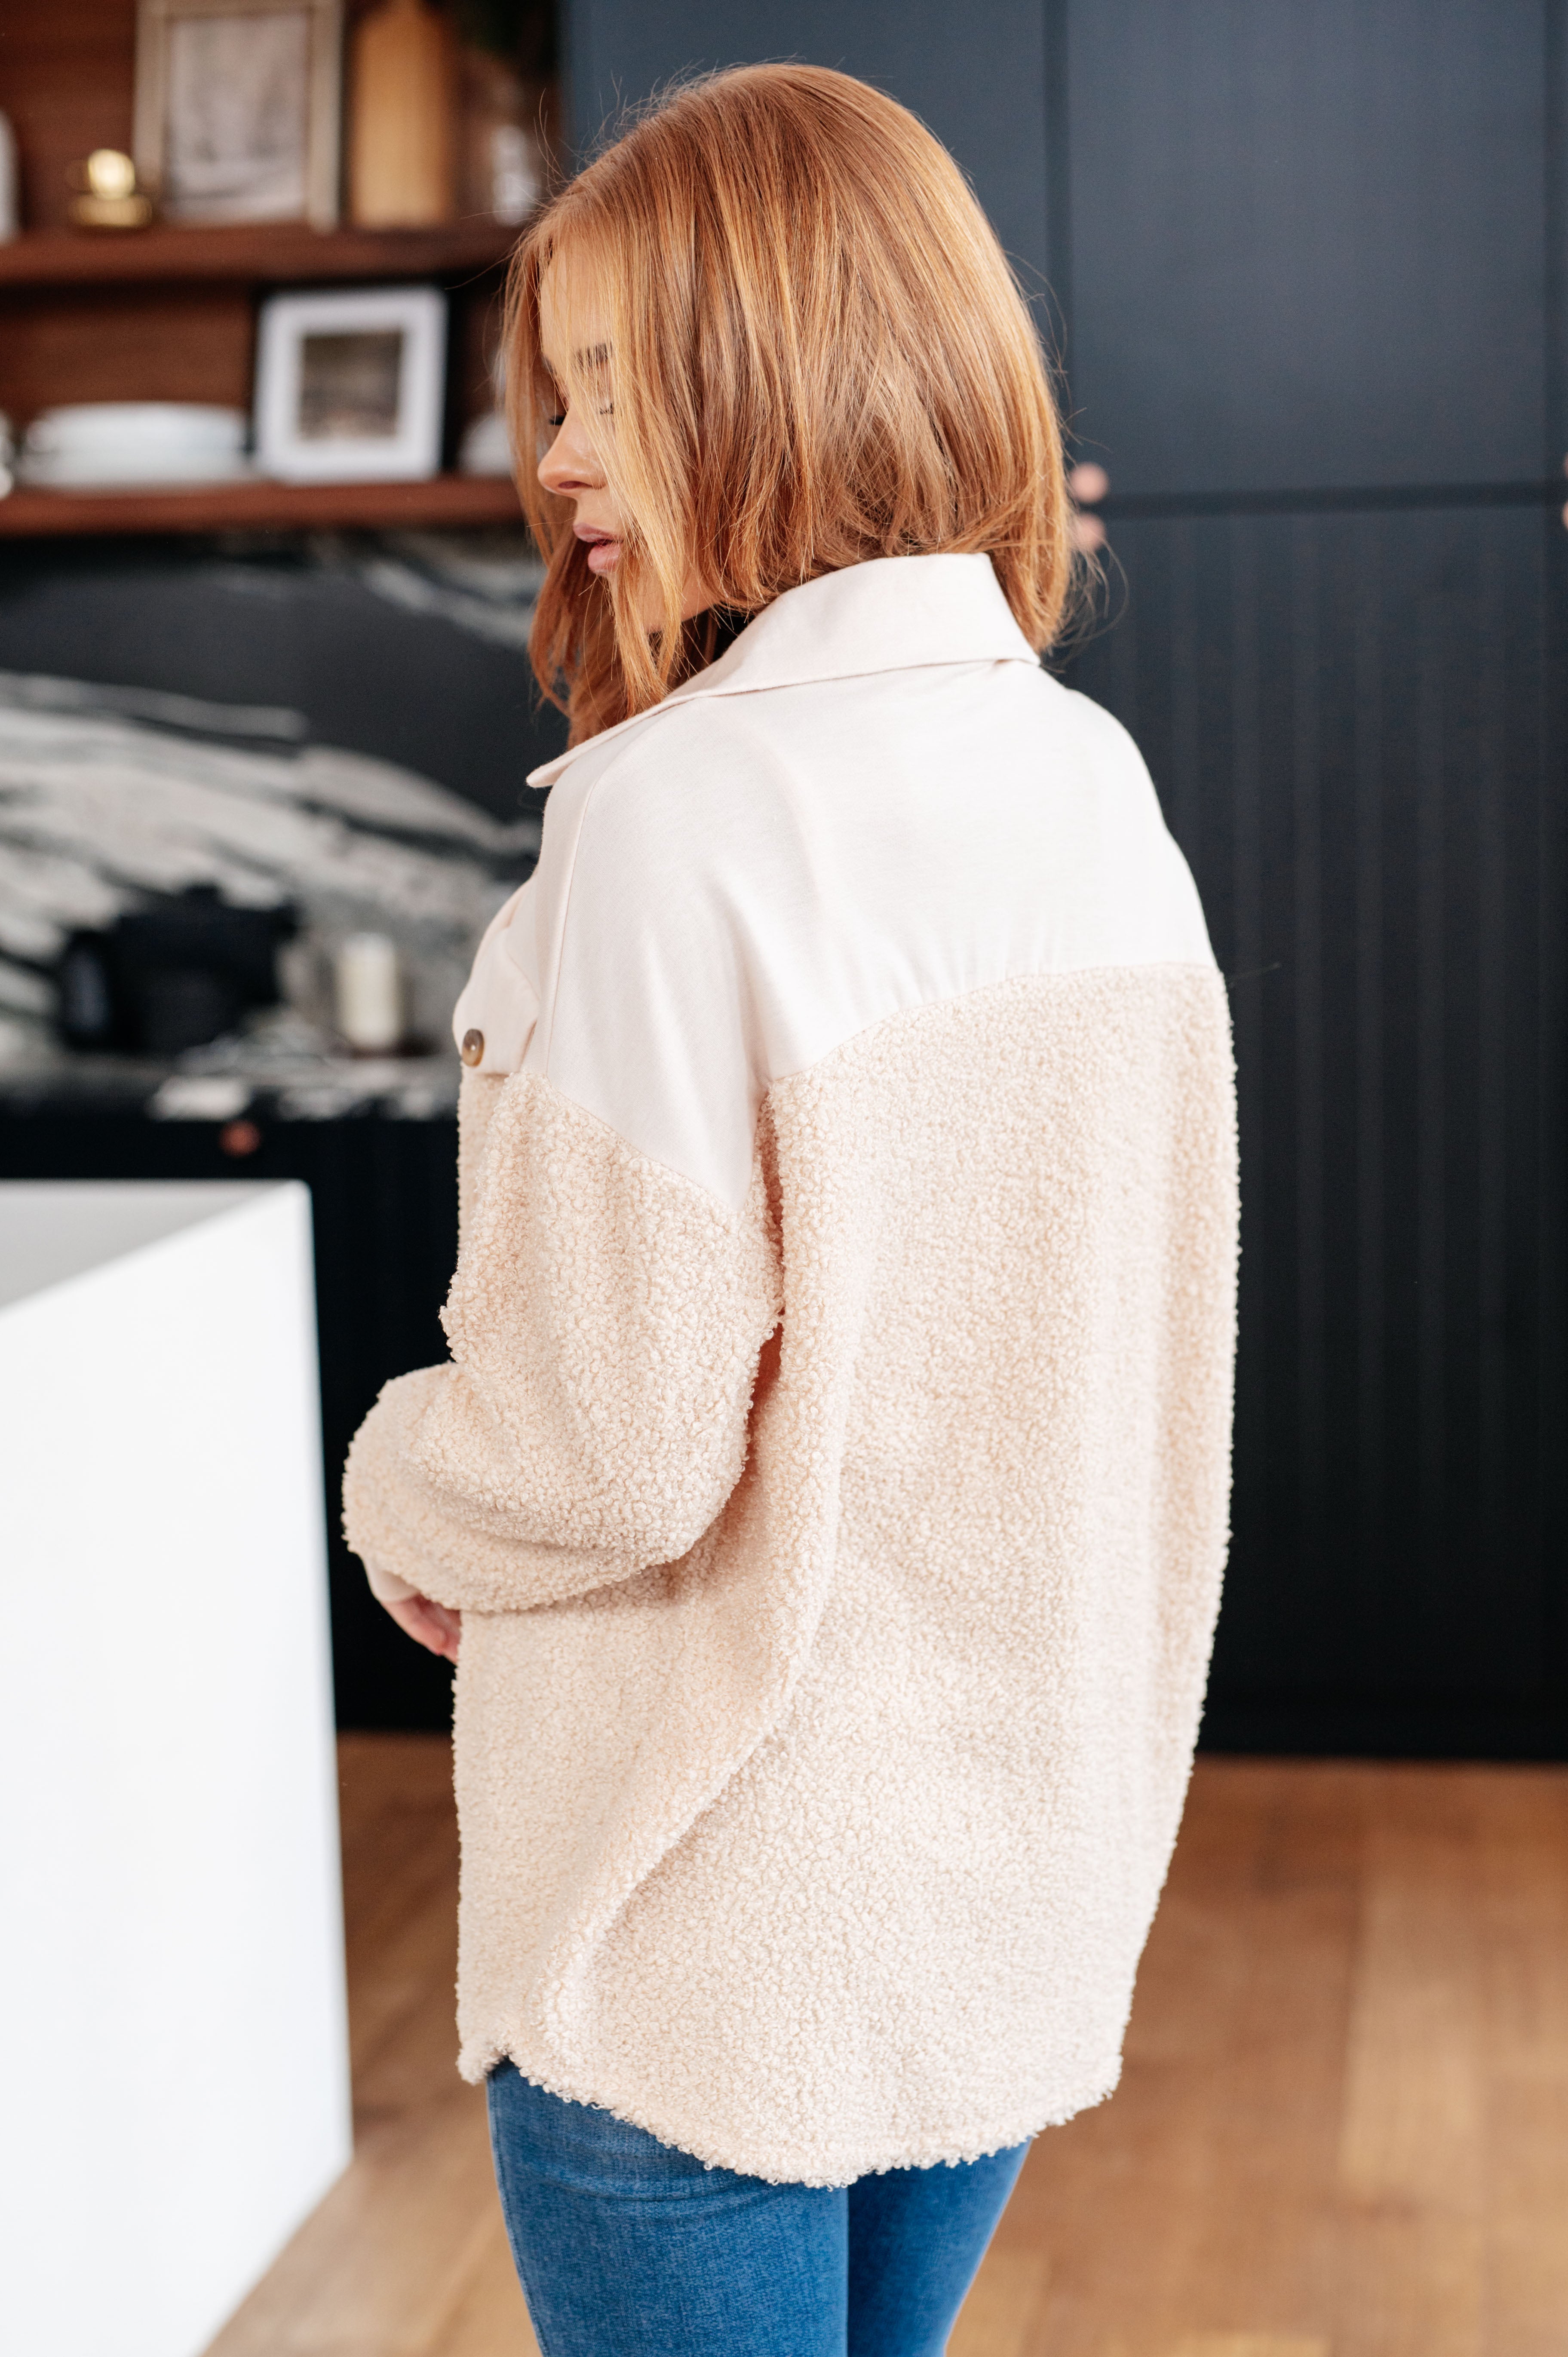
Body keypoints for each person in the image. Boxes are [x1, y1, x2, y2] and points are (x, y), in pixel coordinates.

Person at [345, 61, 1237, 2357]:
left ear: (789, 376)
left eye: (613, 392)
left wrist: (397, 1490)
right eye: (560, 396)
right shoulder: (1083, 776)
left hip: (706, 1926)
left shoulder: (676, 818)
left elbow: (602, 1448)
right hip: (997, 1895)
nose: (557, 462)